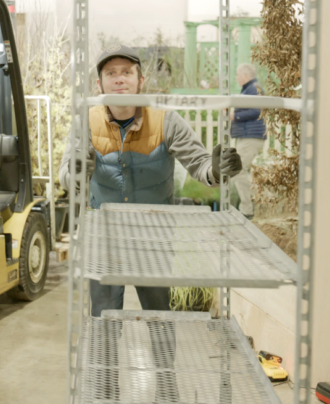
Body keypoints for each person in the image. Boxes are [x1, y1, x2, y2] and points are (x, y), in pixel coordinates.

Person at [59, 44, 243, 317]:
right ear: (99, 84)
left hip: (154, 239)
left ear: (140, 81)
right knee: (103, 322)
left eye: (126, 72)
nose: (119, 78)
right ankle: (106, 361)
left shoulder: (166, 121)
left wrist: (218, 170)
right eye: (111, 73)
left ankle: (162, 361)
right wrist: (75, 172)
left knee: (161, 321)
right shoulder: (86, 121)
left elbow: (201, 166)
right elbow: (65, 175)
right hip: (104, 239)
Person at [229, 63, 268, 219]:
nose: (236, 78)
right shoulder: (250, 89)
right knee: (241, 171)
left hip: (250, 136)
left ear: (245, 75)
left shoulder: (253, 89)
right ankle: (253, 205)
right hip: (248, 135)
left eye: (238, 75)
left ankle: (247, 210)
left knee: (237, 170)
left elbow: (256, 110)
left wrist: (235, 116)